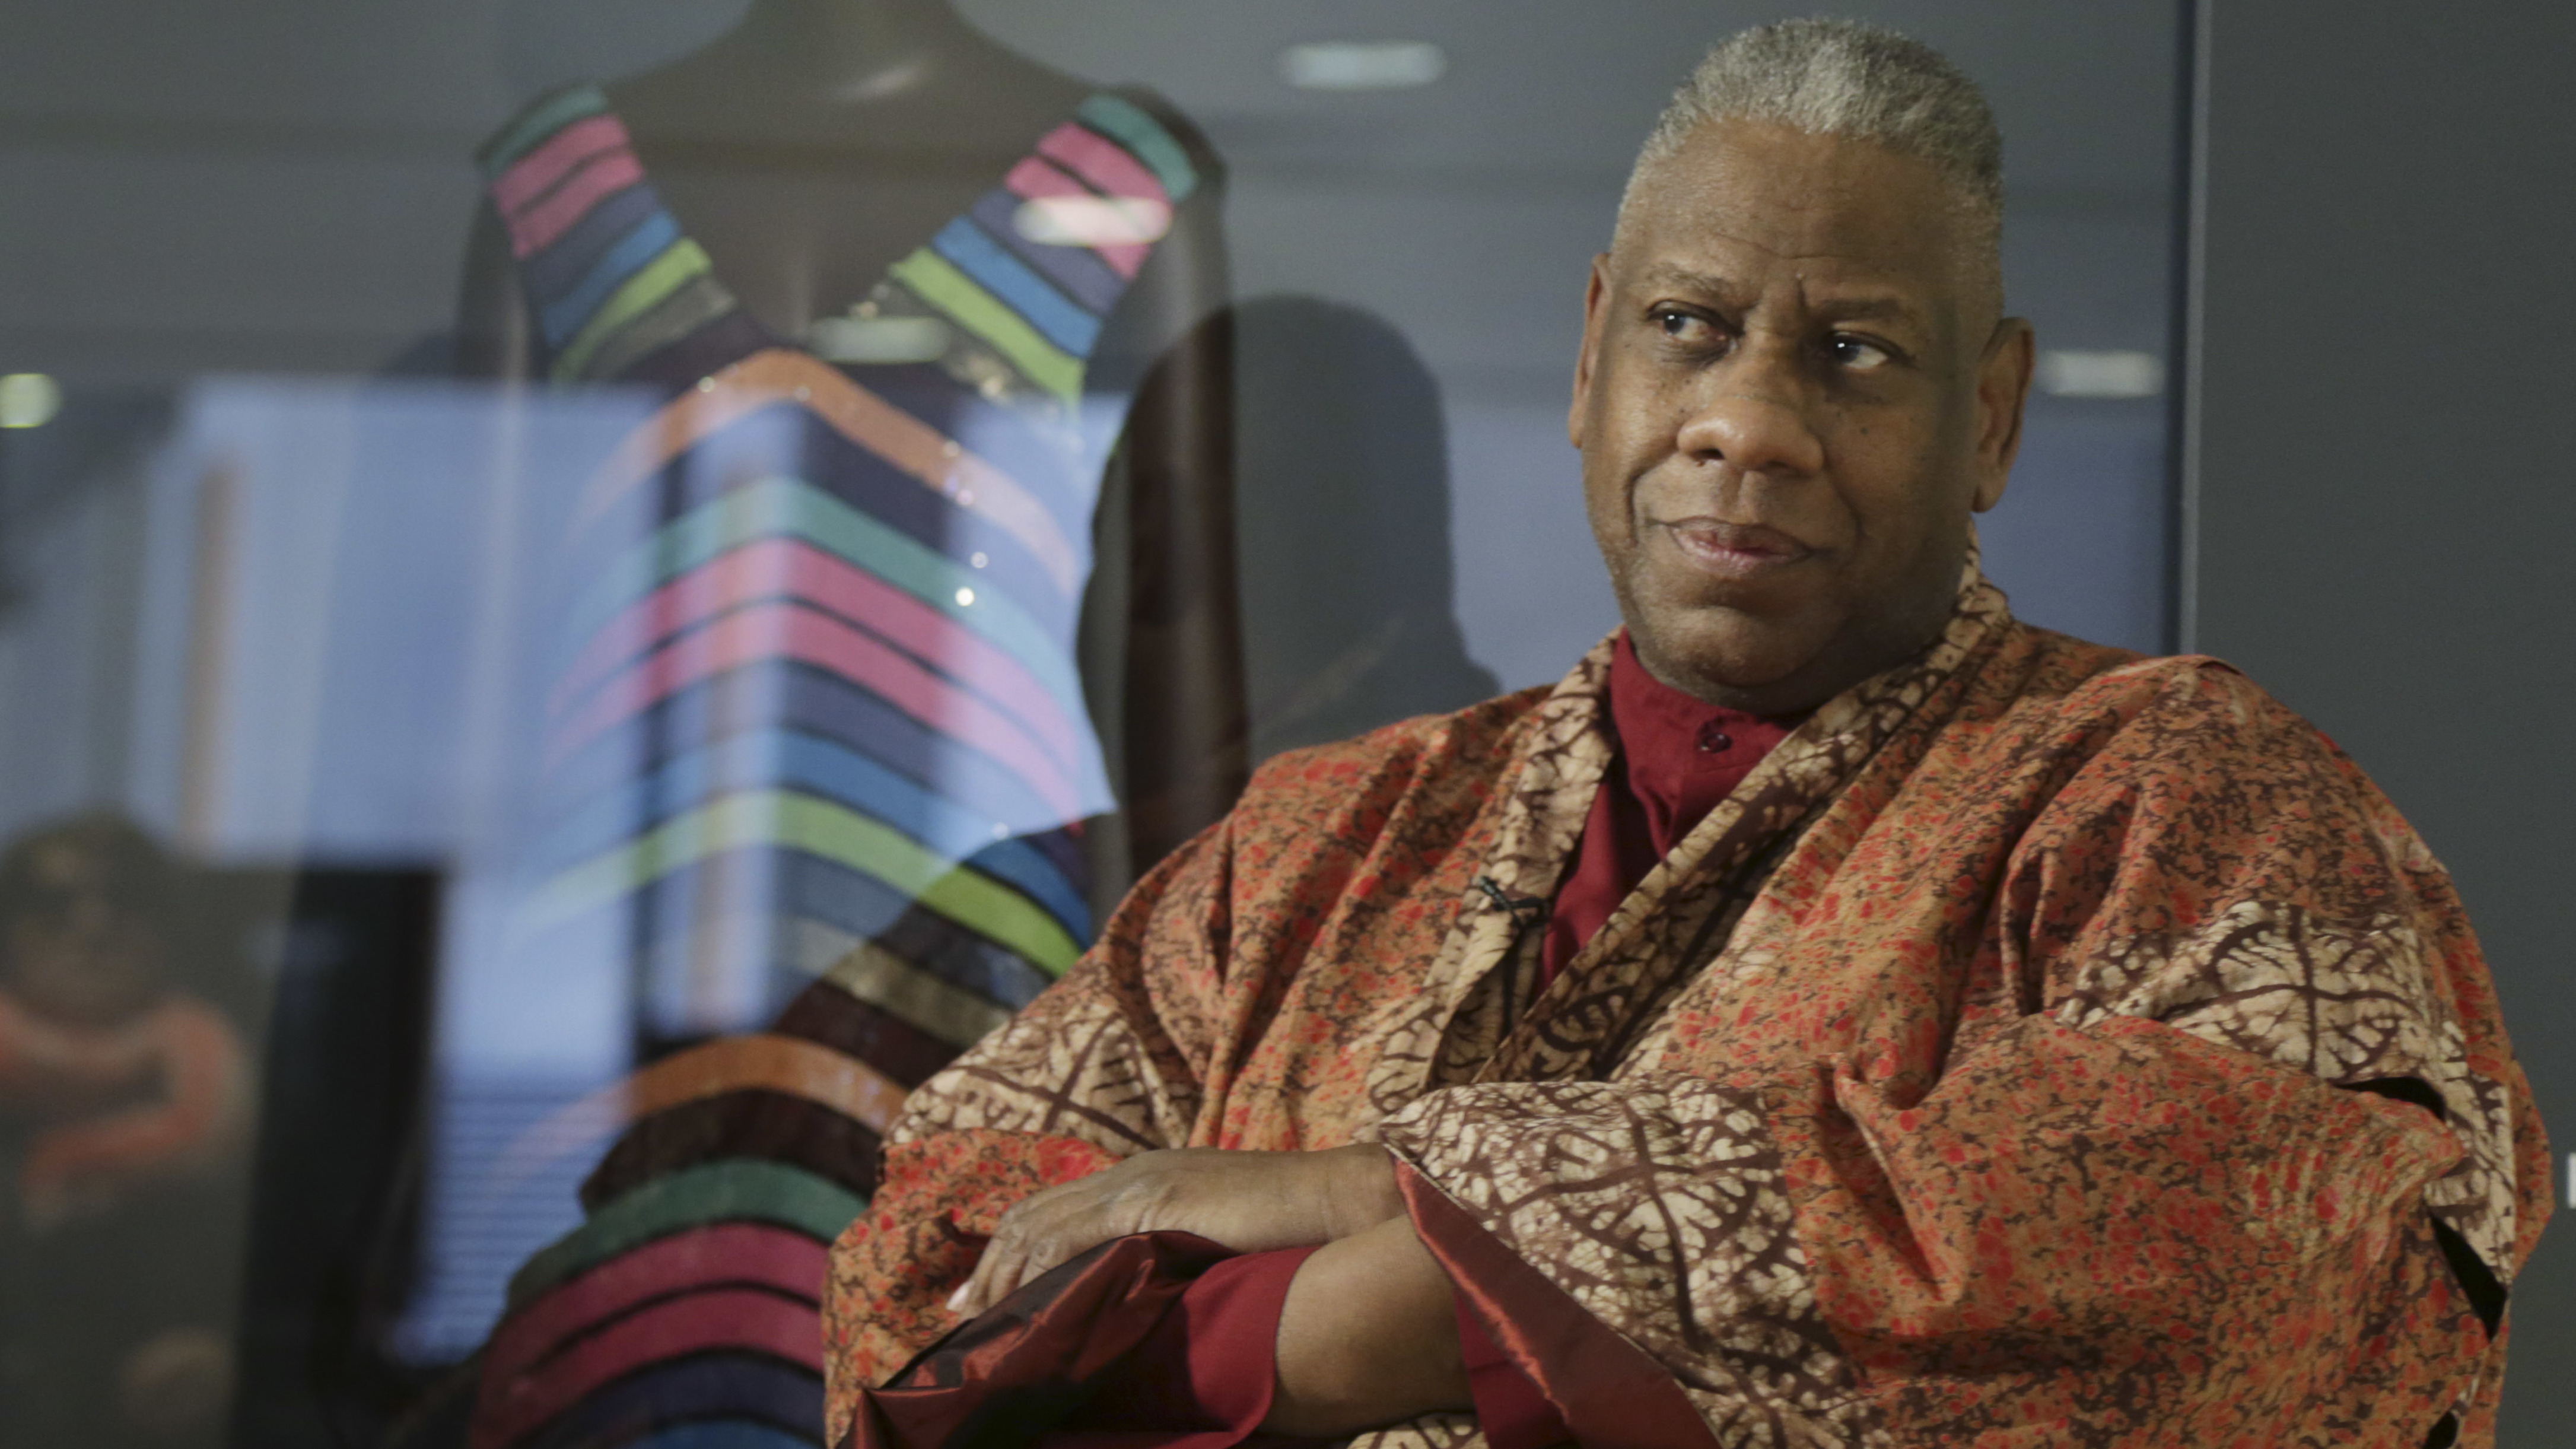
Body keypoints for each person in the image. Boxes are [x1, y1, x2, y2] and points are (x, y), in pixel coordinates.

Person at [821, 20, 2546, 1448]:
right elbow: (932, 1258)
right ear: (1593, 360)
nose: (1748, 423)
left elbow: (2251, 1243)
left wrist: (1383, 1245)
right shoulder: (1326, 840)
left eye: (1856, 353)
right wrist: (1416, 1316)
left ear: (1994, 417)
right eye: (1692, 328)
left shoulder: (2177, 788)